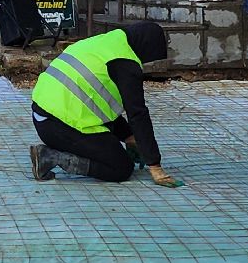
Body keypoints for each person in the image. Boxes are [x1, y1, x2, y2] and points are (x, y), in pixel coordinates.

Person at [28, 22, 182, 186]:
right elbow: (137, 114)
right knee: (121, 168)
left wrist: (129, 137)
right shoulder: (125, 64)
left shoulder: (106, 43)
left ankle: (57, 153)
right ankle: (52, 157)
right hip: (59, 126)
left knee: (109, 139)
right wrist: (155, 165)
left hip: (44, 116)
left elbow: (98, 102)